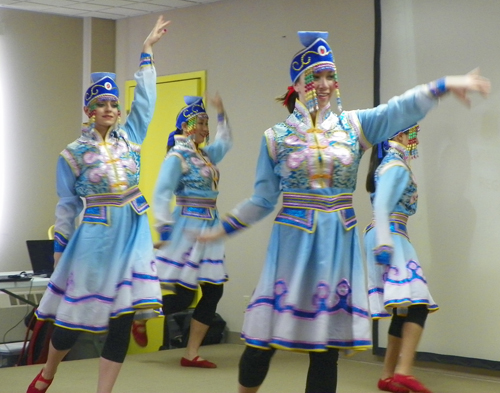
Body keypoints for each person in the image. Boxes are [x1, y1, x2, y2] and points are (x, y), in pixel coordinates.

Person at [197, 31, 490, 393]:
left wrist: (443, 85)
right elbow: (262, 199)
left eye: (329, 76)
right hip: (290, 247)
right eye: (314, 77)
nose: (323, 84)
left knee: (325, 350)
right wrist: (221, 230)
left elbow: (398, 109)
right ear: (298, 84)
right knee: (262, 342)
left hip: (337, 246)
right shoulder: (275, 137)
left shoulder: (355, 126)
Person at [26, 16, 170, 393]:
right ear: (89, 110)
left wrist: (146, 52)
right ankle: (47, 373)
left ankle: (103, 390)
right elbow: (66, 205)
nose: (109, 108)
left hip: (132, 232)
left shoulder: (132, 138)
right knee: (72, 319)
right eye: (101, 104)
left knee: (121, 316)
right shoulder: (72, 154)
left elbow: (147, 101)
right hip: (94, 236)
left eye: (113, 104)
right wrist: (60, 249)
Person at [132, 94, 232, 368]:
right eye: (201, 122)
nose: (205, 128)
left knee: (213, 291)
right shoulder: (178, 156)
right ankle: (139, 315)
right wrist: (163, 231)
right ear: (186, 125)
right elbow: (162, 193)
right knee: (185, 292)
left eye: (207, 123)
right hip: (187, 226)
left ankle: (191, 353)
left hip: (209, 227)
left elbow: (225, 143)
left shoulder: (205, 154)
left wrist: (222, 113)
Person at [363, 125, 437, 393]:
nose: (412, 138)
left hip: (389, 233)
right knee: (418, 304)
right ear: (397, 136)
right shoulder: (395, 165)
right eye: (410, 133)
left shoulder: (387, 163)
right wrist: (385, 240)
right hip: (391, 234)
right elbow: (382, 205)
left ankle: (387, 376)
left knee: (404, 306)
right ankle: (404, 371)